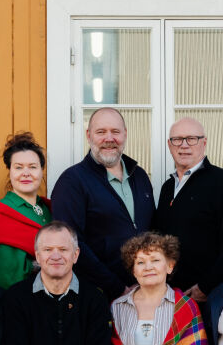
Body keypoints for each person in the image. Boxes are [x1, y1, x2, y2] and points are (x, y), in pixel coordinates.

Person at [52, 107, 155, 299]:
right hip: (97, 296)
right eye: (101, 132)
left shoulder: (139, 176)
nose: (109, 138)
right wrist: (117, 288)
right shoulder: (72, 182)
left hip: (145, 292)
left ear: (125, 134)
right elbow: (71, 244)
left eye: (115, 132)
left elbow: (153, 232)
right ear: (88, 135)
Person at [152, 117, 223, 302]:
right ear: (169, 145)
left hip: (210, 294)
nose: (184, 145)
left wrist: (207, 286)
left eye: (192, 139)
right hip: (169, 293)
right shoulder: (167, 188)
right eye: (177, 139)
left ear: (204, 143)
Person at [0, 133, 52, 288]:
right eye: (18, 167)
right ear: (10, 171)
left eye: (33, 167)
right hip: (22, 300)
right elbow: (9, 275)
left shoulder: (49, 208)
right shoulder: (0, 213)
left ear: (42, 170)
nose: (25, 173)